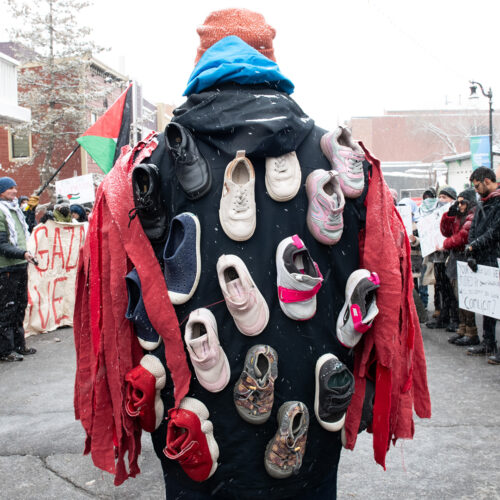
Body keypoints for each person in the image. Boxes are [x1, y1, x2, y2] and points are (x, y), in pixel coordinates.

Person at [73, 8, 430, 497]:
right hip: (312, 378)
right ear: (271, 60)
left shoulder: (147, 163)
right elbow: (384, 282)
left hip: (189, 405)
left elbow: (114, 304)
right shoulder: (345, 165)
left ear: (201, 60)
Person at [465, 167, 500, 363]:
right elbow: (474, 229)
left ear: (487, 181)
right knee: (488, 303)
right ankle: (488, 341)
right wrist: (472, 248)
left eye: (477, 185)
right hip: (484, 259)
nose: (476, 190)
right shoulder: (482, 204)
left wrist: (474, 246)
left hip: (496, 256)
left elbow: (495, 231)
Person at [0, 177, 37, 362]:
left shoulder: (14, 210)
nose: (15, 191)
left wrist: (31, 211)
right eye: (10, 188)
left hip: (20, 265)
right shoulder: (0, 211)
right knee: (7, 308)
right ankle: (5, 350)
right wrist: (22, 253)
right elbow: (2, 244)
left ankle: (19, 344)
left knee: (20, 306)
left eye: (15, 187)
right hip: (6, 267)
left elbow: (27, 229)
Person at [438, 189, 478, 346]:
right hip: (456, 259)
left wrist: (445, 244)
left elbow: (462, 237)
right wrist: (449, 215)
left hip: (465, 257)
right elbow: (446, 232)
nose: (459, 205)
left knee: (465, 295)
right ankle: (463, 328)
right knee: (457, 294)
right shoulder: (460, 216)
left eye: (462, 202)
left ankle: (471, 331)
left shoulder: (472, 215)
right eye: (458, 202)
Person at [426, 186, 459, 331]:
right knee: (441, 288)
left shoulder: (455, 214)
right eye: (440, 197)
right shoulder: (435, 213)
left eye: (445, 197)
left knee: (451, 290)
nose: (441, 200)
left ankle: (455, 319)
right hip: (437, 256)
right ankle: (444, 317)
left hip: (449, 256)